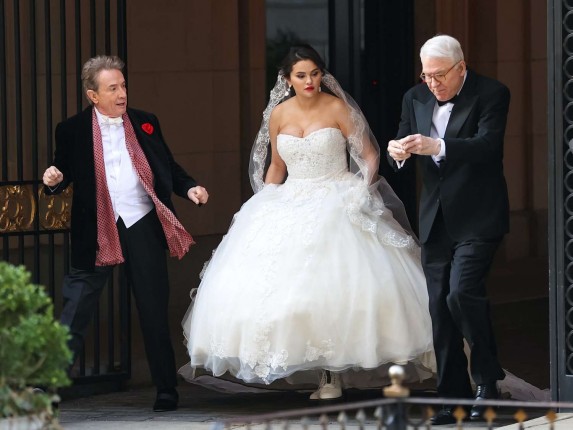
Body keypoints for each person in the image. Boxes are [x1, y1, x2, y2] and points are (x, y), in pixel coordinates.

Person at [180, 44, 435, 400]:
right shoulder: (278, 114)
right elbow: (276, 166)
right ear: (287, 79)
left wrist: (359, 191)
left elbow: (368, 154)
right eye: (301, 75)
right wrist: (264, 202)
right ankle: (321, 373)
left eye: (315, 73)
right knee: (284, 292)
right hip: (291, 196)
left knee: (336, 286)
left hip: (338, 195)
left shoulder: (337, 108)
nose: (310, 81)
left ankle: (333, 375)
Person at [42, 55, 209, 412]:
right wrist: (53, 177)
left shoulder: (145, 122)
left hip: (141, 223)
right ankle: (47, 389)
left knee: (152, 308)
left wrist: (189, 187)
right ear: (93, 95)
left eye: (123, 86)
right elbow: (61, 170)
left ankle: (166, 389)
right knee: (76, 310)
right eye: (112, 88)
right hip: (96, 228)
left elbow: (167, 165)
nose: (121, 94)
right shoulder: (71, 130)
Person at [387, 34, 510, 424]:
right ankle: (452, 397)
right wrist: (398, 152)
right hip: (435, 219)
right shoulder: (414, 97)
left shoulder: (492, 93)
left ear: (461, 67)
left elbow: (488, 146)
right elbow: (404, 142)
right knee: (439, 309)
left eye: (440, 75)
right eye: (426, 75)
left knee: (462, 293)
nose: (433, 83)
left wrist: (437, 146)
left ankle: (487, 382)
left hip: (478, 215)